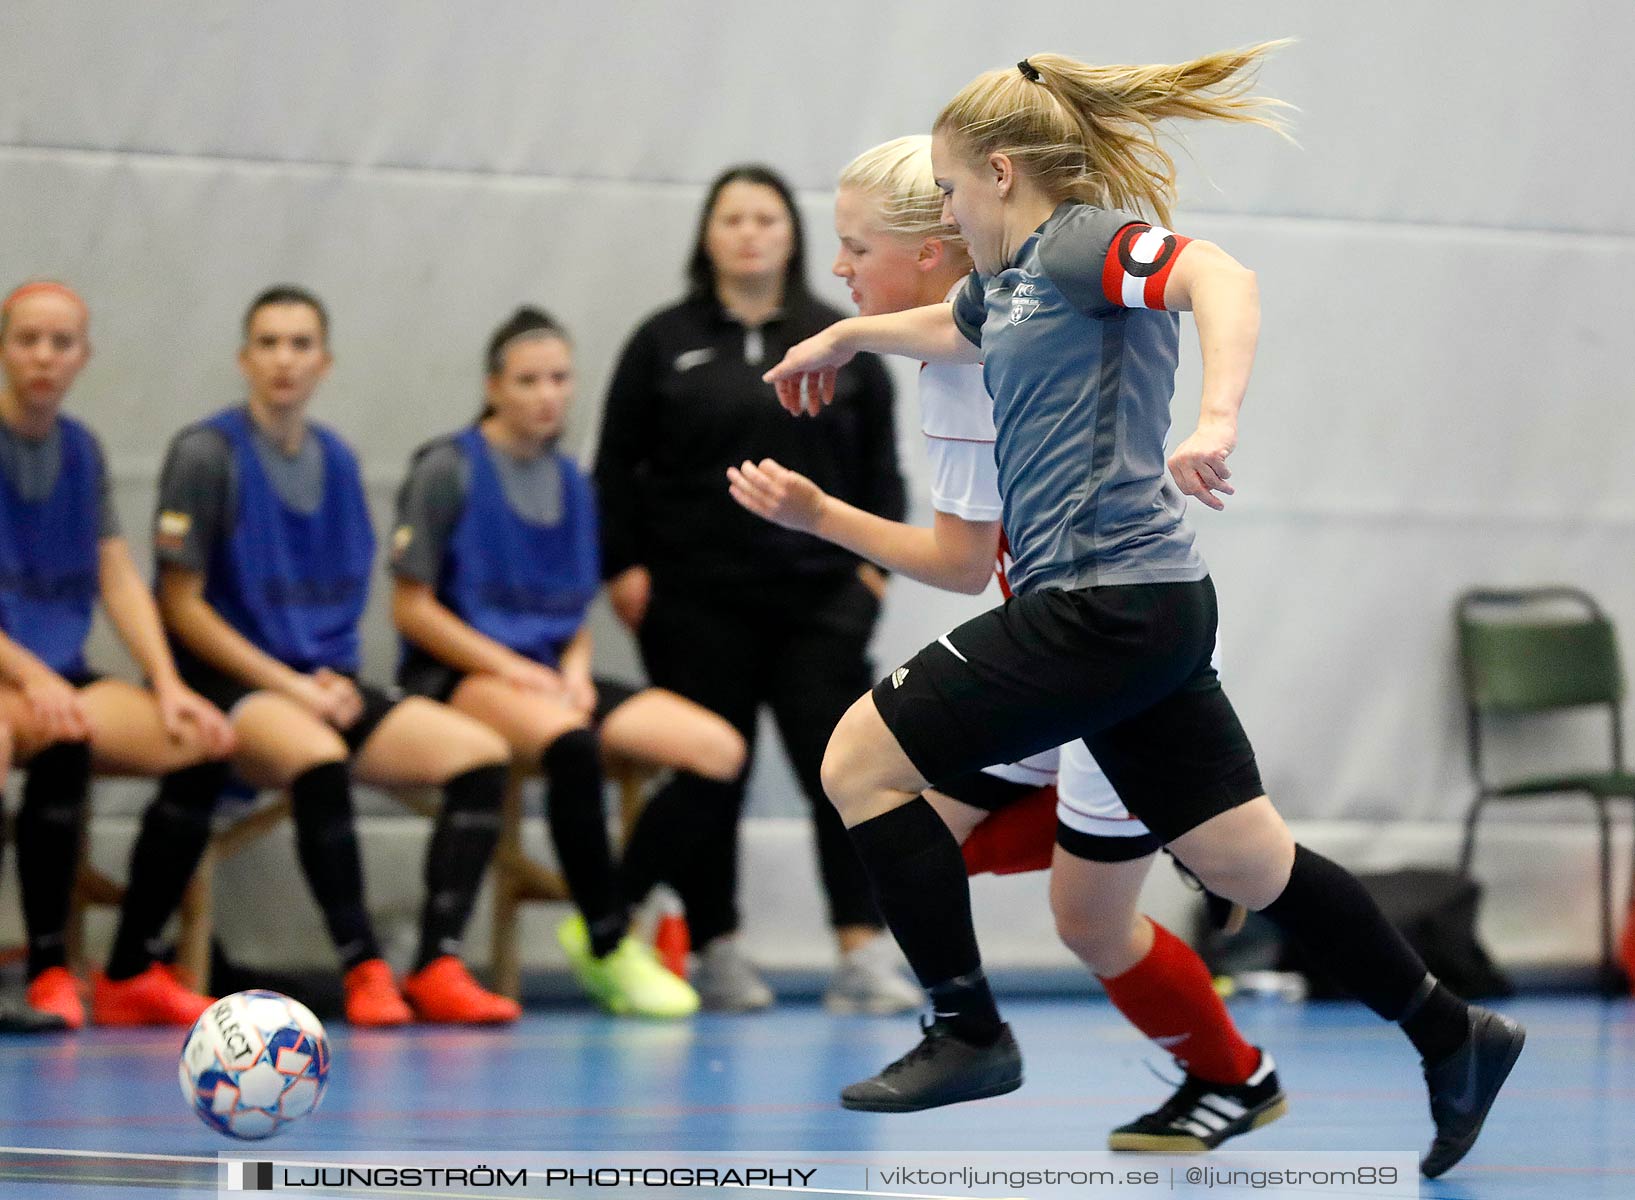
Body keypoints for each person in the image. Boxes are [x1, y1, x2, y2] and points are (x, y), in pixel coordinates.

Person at [765, 48, 1524, 1179]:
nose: (949, 209)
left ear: (1003, 172)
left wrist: (1214, 419)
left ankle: (967, 1028)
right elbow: (953, 328)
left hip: (1106, 604)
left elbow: (1222, 278)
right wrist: (845, 335)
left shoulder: (1079, 243)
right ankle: (1452, 1033)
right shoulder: (1010, 281)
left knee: (858, 760)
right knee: (1246, 861)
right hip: (1142, 615)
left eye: (954, 188)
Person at [729, 137, 1284, 1148]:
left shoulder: (980, 350)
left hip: (1094, 649)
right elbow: (973, 558)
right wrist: (853, 332)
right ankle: (1018, 1003)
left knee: (1089, 914)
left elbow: (954, 559)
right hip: (1046, 645)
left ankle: (1231, 1054)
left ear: (938, 249)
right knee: (915, 830)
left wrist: (823, 517)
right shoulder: (975, 322)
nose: (838, 267)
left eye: (855, 246)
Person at [594, 165, 919, 1013]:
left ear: (791, 234)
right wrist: (624, 571)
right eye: (731, 218)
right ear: (708, 234)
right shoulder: (662, 341)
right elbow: (613, 467)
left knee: (842, 770)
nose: (748, 233)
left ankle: (860, 953)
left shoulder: (841, 337)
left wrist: (868, 581)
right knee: (712, 776)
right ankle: (717, 949)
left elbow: (882, 474)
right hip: (695, 603)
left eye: (764, 218)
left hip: (817, 601)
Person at [153, 284, 519, 1026]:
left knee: (481, 754)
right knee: (319, 756)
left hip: (316, 683)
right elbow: (179, 604)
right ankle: (363, 967)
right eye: (268, 343)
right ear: (243, 358)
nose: (284, 360)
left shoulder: (340, 462)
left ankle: (439, 961)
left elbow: (345, 594)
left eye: (299, 345)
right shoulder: (206, 452)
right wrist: (289, 684)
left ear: (324, 362)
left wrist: (330, 679)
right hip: (231, 684)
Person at [391, 305, 745, 1018]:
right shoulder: (447, 468)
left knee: (717, 750)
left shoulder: (575, 486)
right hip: (464, 673)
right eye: (528, 380)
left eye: (559, 378)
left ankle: (606, 907)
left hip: (550, 673)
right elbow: (412, 607)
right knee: (571, 746)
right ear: (494, 387)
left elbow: (574, 611)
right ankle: (613, 944)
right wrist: (509, 669)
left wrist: (576, 671)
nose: (547, 394)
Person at [0, 280, 237, 1030]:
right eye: (27, 339)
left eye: (60, 342)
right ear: (3, 348)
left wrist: (168, 682)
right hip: (13, 669)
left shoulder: (83, 449)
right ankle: (44, 968)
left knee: (201, 743)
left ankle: (132, 964)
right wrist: (31, 676)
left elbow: (116, 573)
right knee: (57, 734)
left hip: (55, 672)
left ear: (83, 355)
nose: (43, 356)